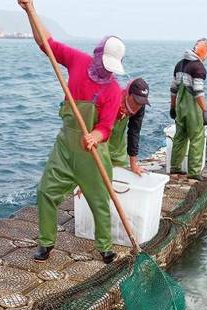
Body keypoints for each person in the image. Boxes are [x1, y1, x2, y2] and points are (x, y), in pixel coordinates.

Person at [18, 0, 124, 264]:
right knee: (45, 192)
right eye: (105, 64)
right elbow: (46, 44)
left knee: (99, 201)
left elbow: (106, 127)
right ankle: (46, 243)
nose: (106, 71)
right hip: (66, 146)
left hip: (92, 151)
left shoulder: (113, 90)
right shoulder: (77, 61)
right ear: (98, 55)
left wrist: (96, 136)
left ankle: (105, 246)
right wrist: (30, 11)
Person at [169, 39, 207, 180]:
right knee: (197, 138)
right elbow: (199, 91)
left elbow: (174, 88)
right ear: (205, 53)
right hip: (193, 109)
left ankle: (174, 168)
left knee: (180, 137)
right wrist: (205, 111)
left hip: (180, 107)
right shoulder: (198, 67)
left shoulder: (179, 64)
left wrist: (173, 107)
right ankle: (194, 172)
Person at [109, 78, 150, 176]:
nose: (138, 106)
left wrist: (133, 164)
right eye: (136, 101)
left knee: (121, 175)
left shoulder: (140, 107)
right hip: (101, 142)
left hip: (118, 148)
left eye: (141, 103)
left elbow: (134, 132)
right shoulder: (113, 99)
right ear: (128, 94)